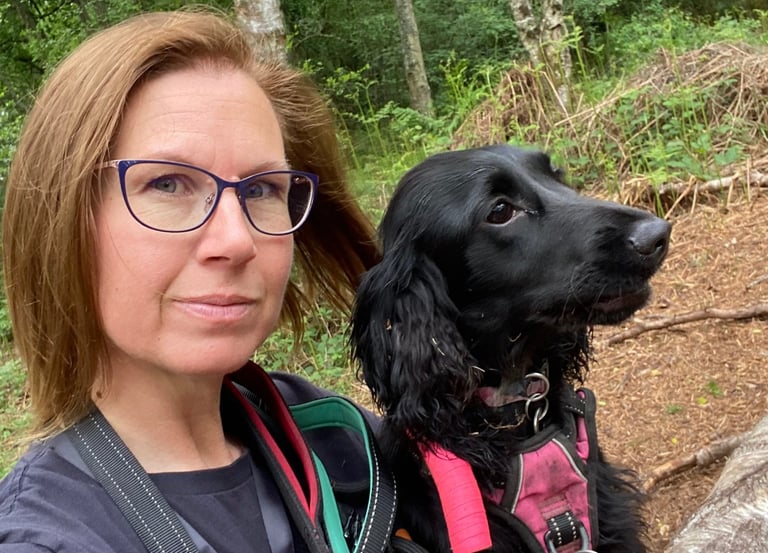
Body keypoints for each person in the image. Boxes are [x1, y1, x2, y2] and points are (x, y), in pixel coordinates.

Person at [0, 8, 382, 552]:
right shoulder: (49, 536)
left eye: (260, 190)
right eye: (168, 184)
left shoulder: (328, 432)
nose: (236, 241)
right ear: (61, 220)